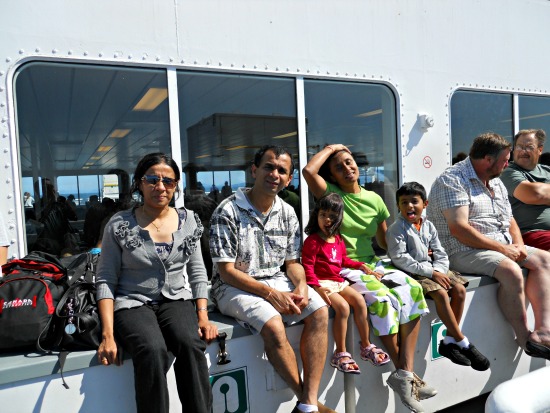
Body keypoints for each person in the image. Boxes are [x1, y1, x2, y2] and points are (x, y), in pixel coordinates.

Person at [303, 144, 435, 413]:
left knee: (412, 291)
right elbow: (308, 171)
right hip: (343, 268)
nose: (347, 168)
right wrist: (333, 148)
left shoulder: (375, 200)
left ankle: (404, 374)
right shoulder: (333, 196)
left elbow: (386, 242)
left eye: (349, 162)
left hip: (371, 264)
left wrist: (418, 249)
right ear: (333, 177)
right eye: (339, 167)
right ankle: (405, 375)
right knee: (384, 299)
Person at [209, 145, 333, 413]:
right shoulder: (227, 211)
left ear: (289, 179)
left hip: (277, 279)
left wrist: (301, 285)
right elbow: (226, 271)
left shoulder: (288, 212)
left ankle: (307, 402)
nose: (274, 174)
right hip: (231, 286)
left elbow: (292, 263)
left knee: (320, 311)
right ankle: (311, 405)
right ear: (254, 170)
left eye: (282, 171)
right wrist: (271, 294)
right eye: (268, 166)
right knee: (274, 324)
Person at [96, 152, 217, 413]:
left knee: (190, 343)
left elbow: (197, 272)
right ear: (140, 183)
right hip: (132, 301)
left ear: (175, 185)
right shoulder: (119, 224)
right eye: (152, 180)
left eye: (168, 181)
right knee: (152, 349)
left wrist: (203, 316)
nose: (160, 187)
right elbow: (105, 278)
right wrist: (107, 334)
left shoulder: (190, 221)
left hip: (176, 299)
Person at [427, 132, 550, 361]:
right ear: (487, 159)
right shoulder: (452, 180)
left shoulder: (495, 180)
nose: (508, 163)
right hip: (460, 250)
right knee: (510, 270)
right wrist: (504, 250)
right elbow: (459, 229)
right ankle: (525, 339)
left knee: (545, 260)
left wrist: (519, 244)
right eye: (505, 160)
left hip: (498, 246)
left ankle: (543, 332)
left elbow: (509, 218)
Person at [387, 182, 490, 370]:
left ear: (424, 204)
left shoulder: (429, 225)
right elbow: (400, 258)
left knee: (459, 290)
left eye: (414, 201)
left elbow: (440, 251)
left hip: (435, 269)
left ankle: (449, 341)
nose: (409, 206)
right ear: (398, 206)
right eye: (404, 202)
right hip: (414, 273)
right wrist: (432, 273)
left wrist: (440, 271)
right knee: (441, 294)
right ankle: (462, 341)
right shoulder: (396, 228)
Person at [302, 193, 390, 374]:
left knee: (359, 302)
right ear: (316, 215)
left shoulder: (338, 239)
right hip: (322, 283)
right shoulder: (312, 241)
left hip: (338, 281)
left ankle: (366, 346)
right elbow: (307, 267)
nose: (327, 220)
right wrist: (317, 288)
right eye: (323, 214)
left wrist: (361, 266)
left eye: (332, 216)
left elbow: (343, 260)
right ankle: (340, 352)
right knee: (342, 308)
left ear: (339, 218)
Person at [500, 129, 550, 250]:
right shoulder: (509, 172)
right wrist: (540, 194)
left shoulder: (547, 170)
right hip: (531, 234)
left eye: (529, 147)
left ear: (540, 150)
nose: (523, 151)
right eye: (519, 146)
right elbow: (534, 194)